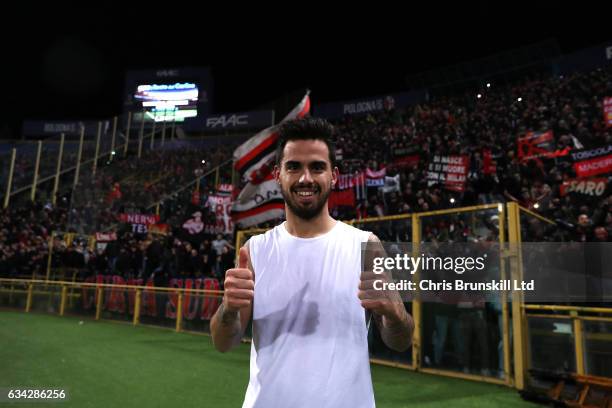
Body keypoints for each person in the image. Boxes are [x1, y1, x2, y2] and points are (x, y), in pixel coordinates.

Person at [210, 118, 414, 408]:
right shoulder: (255, 250)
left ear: (334, 176)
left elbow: (400, 340)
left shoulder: (365, 245)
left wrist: (395, 315)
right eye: (293, 167)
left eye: (317, 167)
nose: (305, 178)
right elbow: (223, 342)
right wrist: (229, 309)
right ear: (278, 176)